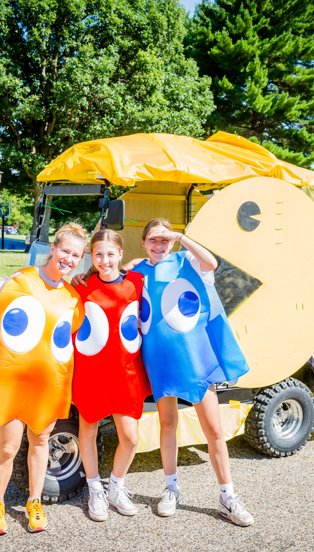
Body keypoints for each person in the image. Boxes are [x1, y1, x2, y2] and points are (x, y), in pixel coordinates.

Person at [0, 223, 87, 535]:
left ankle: (34, 500)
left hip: (45, 386)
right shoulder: (19, 281)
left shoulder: (72, 297)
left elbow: (66, 346)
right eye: (65, 251)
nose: (69, 259)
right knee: (8, 446)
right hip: (13, 383)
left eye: (76, 255)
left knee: (41, 441)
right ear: (53, 249)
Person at [131, 219, 253, 526]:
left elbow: (212, 262)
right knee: (168, 424)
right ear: (143, 242)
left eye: (164, 239)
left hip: (194, 360)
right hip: (159, 360)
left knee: (213, 430)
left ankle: (228, 496)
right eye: (153, 240)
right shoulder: (137, 271)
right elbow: (108, 276)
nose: (159, 245)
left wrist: (180, 237)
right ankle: (170, 489)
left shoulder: (188, 261)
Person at [72, 229, 152, 522]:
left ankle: (116, 488)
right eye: (98, 254)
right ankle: (95, 489)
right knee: (88, 430)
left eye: (110, 254)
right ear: (91, 258)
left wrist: (136, 262)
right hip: (91, 373)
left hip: (126, 373)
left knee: (130, 438)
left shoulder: (136, 281)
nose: (104, 260)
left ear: (120, 254)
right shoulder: (82, 286)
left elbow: (150, 262)